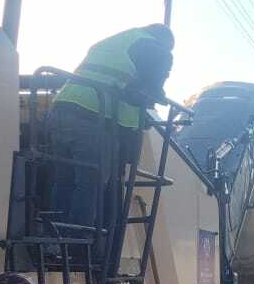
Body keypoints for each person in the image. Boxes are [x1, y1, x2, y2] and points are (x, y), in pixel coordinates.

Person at [47, 24, 175, 233]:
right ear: (165, 43)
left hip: (60, 111)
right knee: (91, 183)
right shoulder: (155, 49)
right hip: (91, 117)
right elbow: (151, 91)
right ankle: (78, 247)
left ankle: (54, 239)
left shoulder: (116, 42)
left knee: (64, 179)